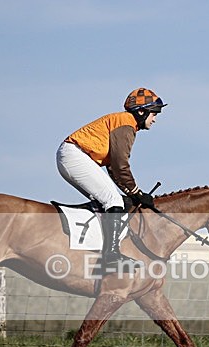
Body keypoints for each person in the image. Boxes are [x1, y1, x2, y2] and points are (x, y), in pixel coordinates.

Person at [56, 88, 166, 273]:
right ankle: (111, 256)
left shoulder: (126, 123)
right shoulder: (126, 124)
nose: (154, 119)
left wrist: (131, 192)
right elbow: (120, 165)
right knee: (113, 200)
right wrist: (137, 192)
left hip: (72, 155)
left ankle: (96, 249)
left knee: (109, 200)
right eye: (153, 114)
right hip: (75, 155)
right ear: (141, 111)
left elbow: (113, 169)